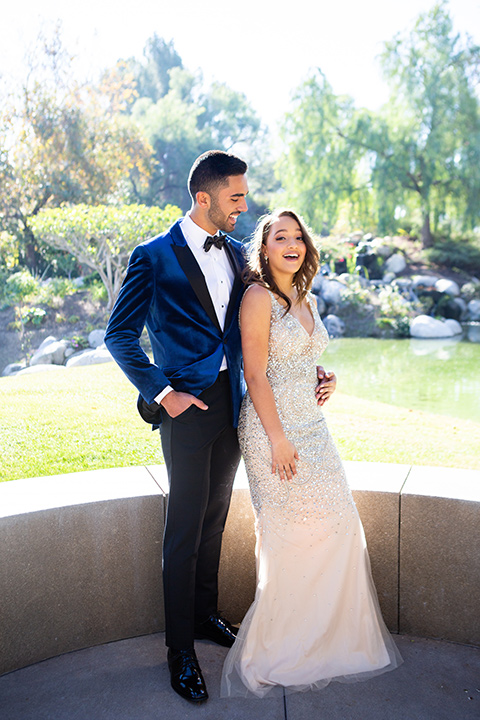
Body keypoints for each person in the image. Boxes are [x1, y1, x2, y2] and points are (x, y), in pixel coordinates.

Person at [221, 209, 403, 698]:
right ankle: (281, 647)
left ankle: (331, 640)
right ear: (263, 249)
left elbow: (303, 355)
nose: (292, 244)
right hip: (270, 428)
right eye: (280, 237)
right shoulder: (258, 298)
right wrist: (279, 438)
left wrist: (327, 377)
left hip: (313, 425)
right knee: (288, 534)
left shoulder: (307, 296)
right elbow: (256, 375)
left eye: (297, 236)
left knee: (338, 522)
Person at [104, 150, 250, 703]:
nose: (243, 205)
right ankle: (179, 653)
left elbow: (252, 327)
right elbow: (120, 337)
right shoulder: (153, 256)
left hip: (232, 405)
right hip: (186, 411)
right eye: (235, 196)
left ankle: (205, 614)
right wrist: (165, 395)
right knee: (183, 529)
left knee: (215, 517)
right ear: (204, 197)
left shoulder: (238, 254)